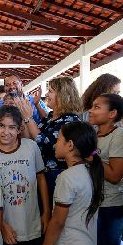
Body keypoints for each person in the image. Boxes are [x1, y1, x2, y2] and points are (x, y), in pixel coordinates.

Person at [0, 105, 50, 245]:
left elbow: (41, 178)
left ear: (19, 129)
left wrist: (46, 212)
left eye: (12, 127)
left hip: (31, 225)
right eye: (1, 126)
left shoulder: (31, 147)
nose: (6, 132)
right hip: (5, 227)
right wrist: (2, 225)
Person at [39, 122, 104, 245]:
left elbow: (58, 222)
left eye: (58, 140)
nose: (55, 145)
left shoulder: (67, 177)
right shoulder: (91, 170)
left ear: (70, 145)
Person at [18, 76, 82, 205]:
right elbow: (31, 139)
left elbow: (43, 141)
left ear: (63, 95)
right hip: (42, 176)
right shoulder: (50, 118)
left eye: (51, 91)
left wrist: (28, 118)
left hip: (56, 177)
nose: (46, 94)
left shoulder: (70, 121)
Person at [87, 93, 123, 245]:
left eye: (97, 107)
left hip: (112, 207)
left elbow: (114, 176)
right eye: (92, 106)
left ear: (112, 114)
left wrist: (90, 154)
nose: (91, 111)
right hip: (95, 205)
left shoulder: (119, 136)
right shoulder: (93, 134)